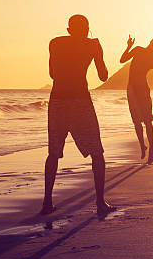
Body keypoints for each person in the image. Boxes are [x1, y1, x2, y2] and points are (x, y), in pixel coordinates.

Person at [41, 14, 114, 217]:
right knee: (97, 152)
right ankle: (100, 202)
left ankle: (47, 202)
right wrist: (97, 52)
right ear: (87, 28)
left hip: (57, 101)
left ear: (68, 29)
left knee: (53, 153)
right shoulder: (92, 45)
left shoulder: (55, 43)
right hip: (81, 101)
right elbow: (103, 75)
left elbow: (53, 74)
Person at [120, 35, 153, 164]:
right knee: (138, 121)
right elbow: (122, 60)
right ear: (152, 41)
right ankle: (143, 146)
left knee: (146, 120)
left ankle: (151, 149)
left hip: (139, 89)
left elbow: (127, 62)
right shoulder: (145, 54)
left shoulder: (148, 57)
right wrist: (129, 46)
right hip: (133, 89)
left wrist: (130, 47)